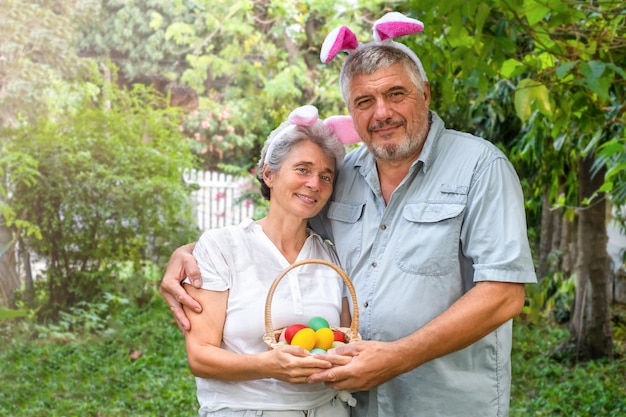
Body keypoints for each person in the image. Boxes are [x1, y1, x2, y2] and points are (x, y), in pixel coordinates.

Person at [161, 12, 537, 417]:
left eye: (396, 94)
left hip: (440, 402)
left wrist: (397, 356)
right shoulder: (342, 175)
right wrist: (192, 253)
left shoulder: (480, 166)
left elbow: (503, 295)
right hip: (352, 404)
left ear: (425, 94)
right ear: (351, 112)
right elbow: (281, 229)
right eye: (364, 101)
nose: (382, 113)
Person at [180, 104, 356, 417]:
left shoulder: (330, 256)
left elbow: (339, 338)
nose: (314, 184)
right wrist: (268, 365)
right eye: (302, 169)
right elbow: (200, 357)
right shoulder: (224, 247)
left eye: (325, 176)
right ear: (269, 173)